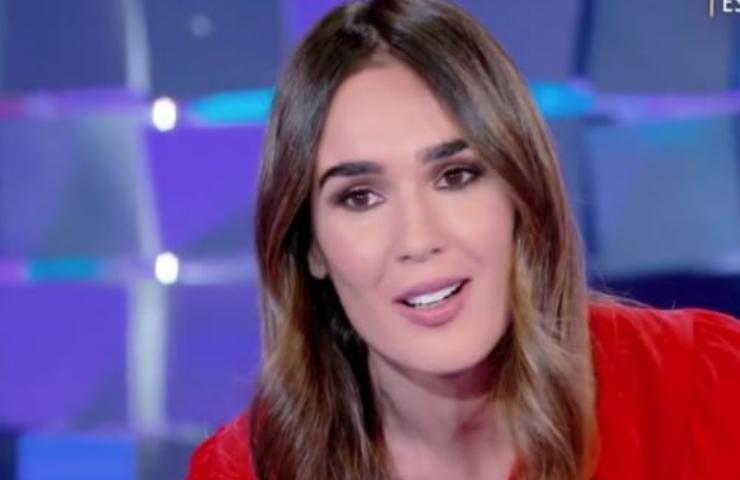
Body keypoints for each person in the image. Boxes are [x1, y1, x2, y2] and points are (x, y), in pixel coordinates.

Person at [186, 0, 740, 479]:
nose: (418, 237)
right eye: (360, 197)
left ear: (520, 192)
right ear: (311, 246)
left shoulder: (706, 389)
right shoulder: (245, 471)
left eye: (455, 176)